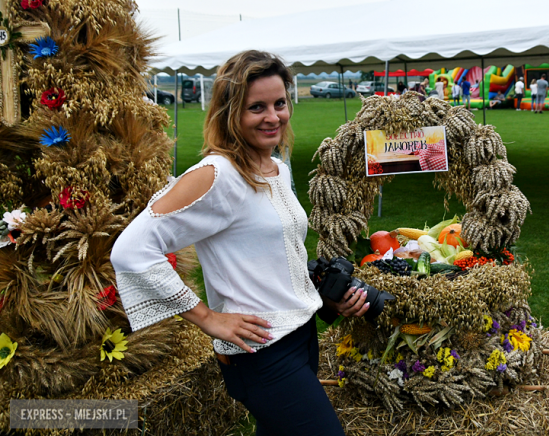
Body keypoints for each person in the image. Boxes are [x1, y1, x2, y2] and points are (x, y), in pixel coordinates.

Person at [110, 51, 368, 435]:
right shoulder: (218, 174)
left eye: (280, 103)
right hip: (262, 354)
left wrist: (324, 296)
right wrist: (208, 318)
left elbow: (272, 253)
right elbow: (130, 249)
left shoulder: (275, 167)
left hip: (300, 338)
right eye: (256, 107)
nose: (273, 116)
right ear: (230, 113)